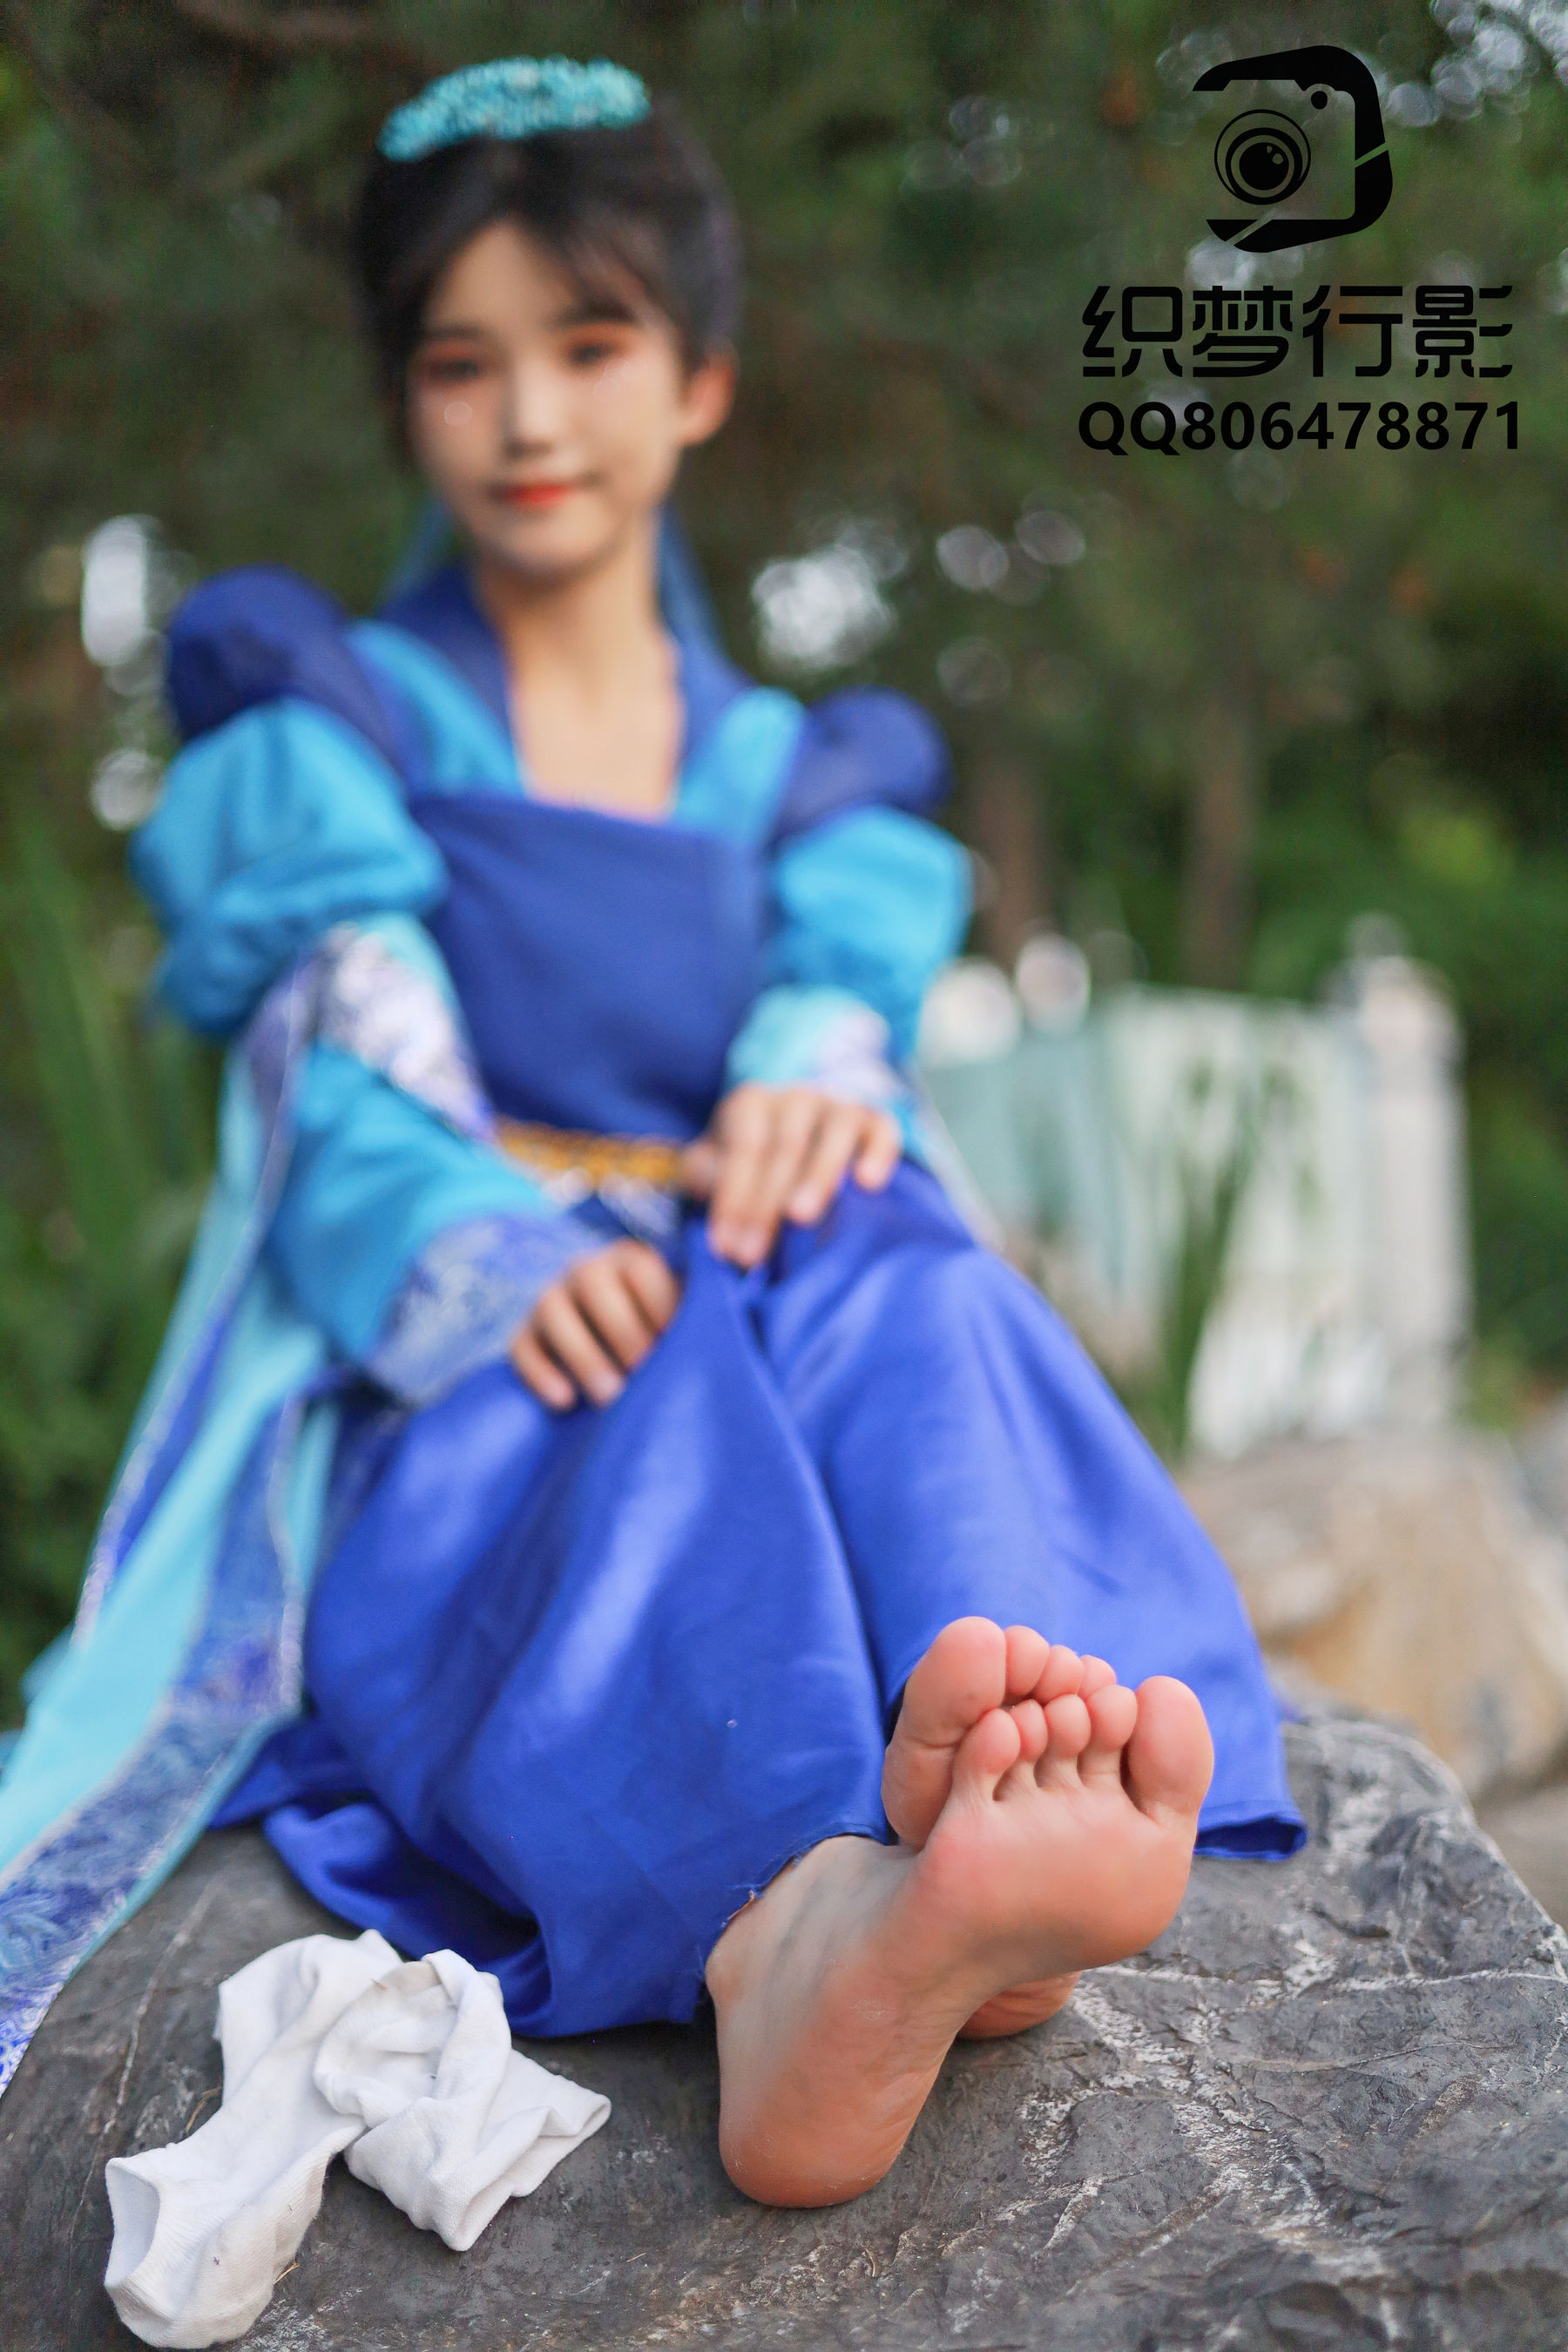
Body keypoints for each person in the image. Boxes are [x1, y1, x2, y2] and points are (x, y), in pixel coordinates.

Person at [0, 57, 1302, 2206]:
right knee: (633, 1375)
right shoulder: (341, 718)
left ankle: (992, 1790)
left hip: (755, 1255)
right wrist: (489, 1245)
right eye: (462, 363)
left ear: (699, 378)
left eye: (590, 345)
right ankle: (793, 1927)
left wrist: (812, 1077)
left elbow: (836, 999)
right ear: (404, 401)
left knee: (907, 1277)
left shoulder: (795, 770)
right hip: (504, 1333)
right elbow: (349, 1069)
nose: (529, 417)